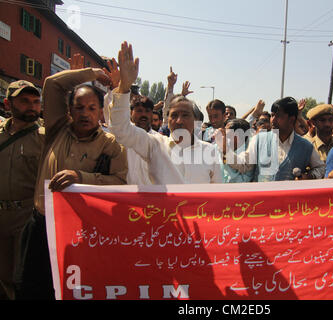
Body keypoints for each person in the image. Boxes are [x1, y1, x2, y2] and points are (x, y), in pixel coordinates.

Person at [15, 65, 128, 300]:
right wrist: (93, 73)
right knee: (32, 288)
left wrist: (80, 178)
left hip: (81, 234)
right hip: (42, 225)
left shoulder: (112, 145)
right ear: (69, 111)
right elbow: (53, 84)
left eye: (91, 108)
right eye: (78, 108)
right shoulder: (57, 130)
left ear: (101, 113)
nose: (84, 113)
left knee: (73, 291)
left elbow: (119, 183)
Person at [109, 41, 222, 184]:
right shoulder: (154, 145)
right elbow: (121, 130)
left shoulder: (210, 151)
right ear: (167, 120)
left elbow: (217, 194)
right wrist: (124, 87)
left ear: (195, 120)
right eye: (174, 115)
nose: (179, 121)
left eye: (185, 115)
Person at [0, 80, 44, 300]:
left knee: (24, 278)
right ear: (8, 104)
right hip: (2, 216)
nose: (32, 106)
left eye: (36, 102)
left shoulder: (46, 137)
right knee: (4, 276)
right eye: (25, 101)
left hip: (27, 218)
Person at [224, 96, 325, 182]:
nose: (273, 120)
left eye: (278, 116)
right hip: (261, 201)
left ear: (291, 119)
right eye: (272, 115)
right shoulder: (259, 139)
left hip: (289, 203)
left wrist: (309, 176)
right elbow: (245, 165)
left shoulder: (305, 146)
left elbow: (321, 168)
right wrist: (226, 151)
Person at [217, 118, 253, 183]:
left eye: (227, 135)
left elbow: (239, 165)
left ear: (237, 136)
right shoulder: (220, 148)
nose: (224, 137)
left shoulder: (249, 152)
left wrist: (225, 149)